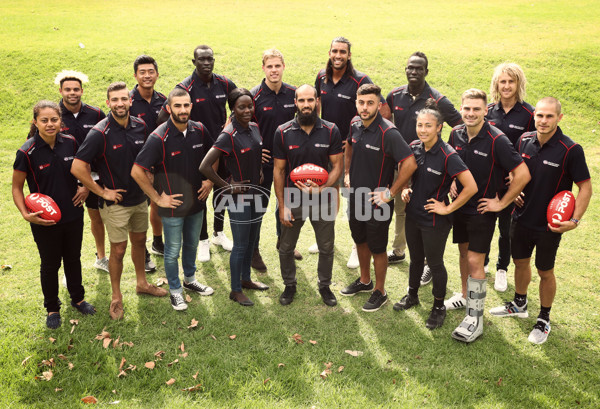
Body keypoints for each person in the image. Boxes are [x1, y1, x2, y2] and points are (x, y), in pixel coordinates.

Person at [490, 97, 592, 344]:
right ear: (533, 116)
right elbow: (514, 170)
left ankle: (544, 318)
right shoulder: (524, 139)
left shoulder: (570, 150)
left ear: (559, 117)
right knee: (520, 263)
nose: (543, 121)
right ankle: (519, 302)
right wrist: (514, 191)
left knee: (545, 271)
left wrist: (575, 220)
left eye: (549, 116)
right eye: (540, 115)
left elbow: (585, 187)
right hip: (521, 218)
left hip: (549, 225)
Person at [71, 82, 168, 320]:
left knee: (139, 241)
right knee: (118, 249)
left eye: (124, 99)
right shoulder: (99, 132)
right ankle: (116, 297)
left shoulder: (141, 126)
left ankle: (142, 284)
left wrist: (152, 176)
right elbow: (77, 166)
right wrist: (102, 192)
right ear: (108, 103)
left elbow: (149, 156)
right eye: (114, 100)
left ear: (130, 101)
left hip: (139, 200)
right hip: (115, 204)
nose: (120, 104)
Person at [446, 89, 531, 343]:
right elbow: (452, 162)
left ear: (486, 111)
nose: (470, 113)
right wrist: (452, 179)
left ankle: (475, 319)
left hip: (482, 209)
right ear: (461, 109)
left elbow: (523, 174)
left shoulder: (497, 140)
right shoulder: (455, 133)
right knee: (463, 252)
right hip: (459, 204)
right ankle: (464, 295)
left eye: (476, 109)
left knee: (475, 260)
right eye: (467, 109)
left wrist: (502, 202)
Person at [392, 99, 476, 329]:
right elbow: (408, 176)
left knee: (435, 263)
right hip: (413, 215)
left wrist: (447, 208)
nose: (423, 130)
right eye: (420, 125)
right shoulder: (414, 147)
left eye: (428, 125)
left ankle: (438, 306)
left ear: (439, 127)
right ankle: (412, 295)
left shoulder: (448, 155)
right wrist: (407, 188)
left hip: (435, 220)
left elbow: (471, 187)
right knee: (415, 259)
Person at [12, 100, 96, 329]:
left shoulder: (70, 142)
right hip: (44, 220)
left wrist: (85, 186)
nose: (50, 124)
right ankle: (52, 308)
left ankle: (78, 298)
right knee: (50, 264)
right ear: (35, 122)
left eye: (54, 120)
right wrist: (25, 214)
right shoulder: (26, 152)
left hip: (73, 214)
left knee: (73, 257)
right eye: (44, 120)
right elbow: (17, 187)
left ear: (61, 121)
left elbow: (84, 168)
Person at [132, 88, 215, 311]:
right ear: (169, 108)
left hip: (197, 204)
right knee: (171, 251)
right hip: (172, 208)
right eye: (177, 106)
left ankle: (190, 280)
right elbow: (137, 171)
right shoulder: (158, 137)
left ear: (191, 106)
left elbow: (214, 154)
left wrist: (210, 181)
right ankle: (175, 291)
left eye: (186, 105)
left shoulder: (199, 129)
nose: (182, 110)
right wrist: (158, 199)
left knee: (191, 244)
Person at [385, 52, 463, 287]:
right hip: (403, 163)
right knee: (402, 208)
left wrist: (450, 164)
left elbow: (459, 126)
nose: (414, 72)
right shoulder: (394, 95)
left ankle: (430, 263)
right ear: (405, 69)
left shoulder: (438, 100)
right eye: (410, 67)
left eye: (419, 68)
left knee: (428, 213)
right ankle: (399, 252)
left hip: (431, 166)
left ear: (426, 71)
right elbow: (386, 122)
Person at [314, 36, 391, 269]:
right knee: (328, 191)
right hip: (327, 146)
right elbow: (318, 105)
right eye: (335, 51)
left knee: (352, 197)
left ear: (349, 55)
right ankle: (325, 239)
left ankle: (357, 248)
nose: (338, 56)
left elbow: (384, 111)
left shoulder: (360, 80)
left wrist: (360, 135)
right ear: (329, 52)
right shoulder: (321, 77)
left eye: (343, 52)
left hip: (351, 148)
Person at [341, 84, 417, 312]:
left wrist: (391, 193)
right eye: (361, 102)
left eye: (370, 103)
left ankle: (380, 291)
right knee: (360, 240)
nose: (365, 107)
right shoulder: (354, 124)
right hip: (356, 197)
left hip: (377, 202)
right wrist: (346, 173)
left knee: (378, 247)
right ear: (356, 103)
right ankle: (365, 281)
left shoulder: (388, 132)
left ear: (379, 105)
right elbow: (348, 147)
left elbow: (410, 163)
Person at [158, 45, 237, 262]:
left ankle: (218, 233)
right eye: (201, 59)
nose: (206, 63)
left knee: (222, 189)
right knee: (200, 193)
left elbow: (241, 103)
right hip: (197, 150)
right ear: (194, 62)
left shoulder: (224, 83)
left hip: (222, 148)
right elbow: (162, 119)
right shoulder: (185, 87)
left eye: (210, 58)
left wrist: (231, 124)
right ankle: (202, 240)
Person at [273, 84, 343, 307]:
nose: (306, 105)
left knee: (326, 247)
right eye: (301, 101)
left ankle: (324, 286)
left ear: (317, 101)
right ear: (295, 102)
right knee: (286, 247)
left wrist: (322, 189)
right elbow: (279, 170)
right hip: (293, 199)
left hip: (322, 200)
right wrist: (282, 205)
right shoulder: (283, 132)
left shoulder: (331, 130)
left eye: (310, 100)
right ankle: (289, 285)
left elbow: (337, 167)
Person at [199, 88, 267, 307]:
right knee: (240, 245)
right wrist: (227, 186)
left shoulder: (254, 127)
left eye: (250, 106)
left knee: (251, 241)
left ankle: (246, 279)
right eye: (241, 107)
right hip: (239, 199)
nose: (247, 110)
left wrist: (259, 171)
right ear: (233, 109)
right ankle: (235, 290)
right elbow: (205, 166)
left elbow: (254, 154)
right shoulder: (228, 134)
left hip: (257, 192)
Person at [485, 62, 535, 292]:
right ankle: (483, 262)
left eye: (511, 82)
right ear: (496, 84)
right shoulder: (487, 111)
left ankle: (501, 269)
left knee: (506, 230)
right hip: (487, 180)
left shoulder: (529, 114)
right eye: (502, 81)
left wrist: (517, 180)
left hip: (511, 184)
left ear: (518, 84)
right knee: (483, 225)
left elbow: (533, 150)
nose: (506, 86)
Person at [251, 48, 302, 271]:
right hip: (262, 163)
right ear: (263, 68)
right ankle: (254, 251)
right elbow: (243, 126)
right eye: (269, 66)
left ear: (283, 67)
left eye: (277, 66)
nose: (274, 70)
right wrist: (255, 149)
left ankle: (284, 243)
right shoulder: (254, 96)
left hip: (288, 162)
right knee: (258, 207)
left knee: (286, 202)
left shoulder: (294, 94)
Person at [55, 70, 108, 272]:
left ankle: (101, 257)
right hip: (64, 182)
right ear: (61, 91)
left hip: (93, 178)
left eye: (76, 89)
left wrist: (87, 184)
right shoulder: (53, 115)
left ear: (82, 91)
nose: (72, 93)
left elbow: (105, 145)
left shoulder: (95, 114)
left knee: (96, 217)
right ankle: (67, 269)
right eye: (67, 89)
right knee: (66, 225)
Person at [130, 54, 167, 264]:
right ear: (135, 75)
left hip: (159, 164)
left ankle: (157, 241)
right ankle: (141, 250)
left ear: (157, 74)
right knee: (139, 209)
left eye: (150, 72)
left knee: (158, 204)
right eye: (142, 72)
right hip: (137, 165)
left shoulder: (163, 101)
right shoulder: (127, 101)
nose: (147, 76)